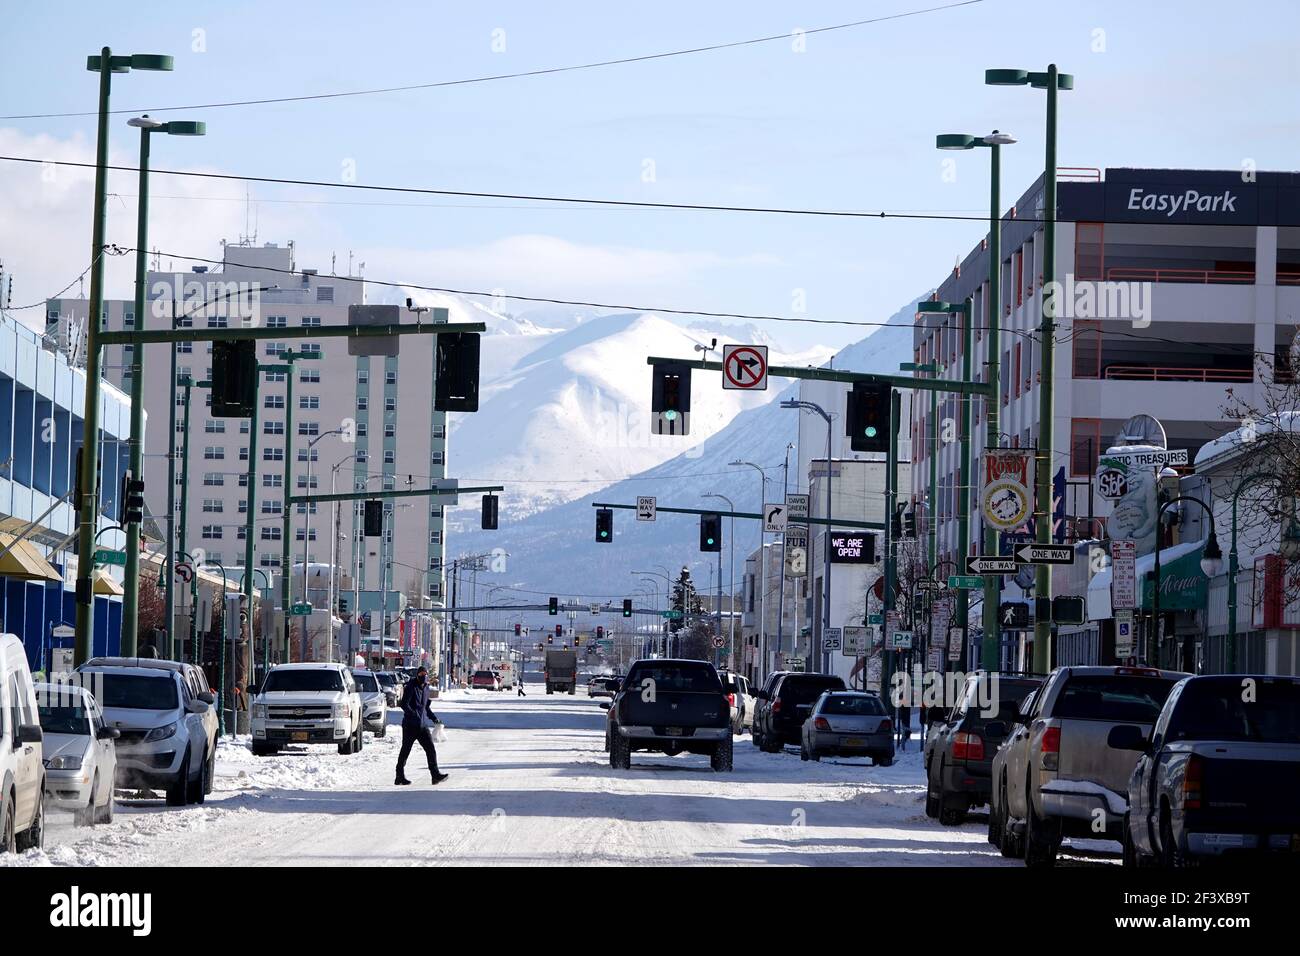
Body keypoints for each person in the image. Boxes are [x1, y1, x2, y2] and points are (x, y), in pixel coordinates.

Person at [395, 666, 448, 786]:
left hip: (422, 725)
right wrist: (413, 714)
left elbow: (426, 707)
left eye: (425, 674)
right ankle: (399, 775)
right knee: (406, 750)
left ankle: (435, 775)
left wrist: (434, 718)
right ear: (418, 675)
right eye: (421, 674)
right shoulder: (411, 687)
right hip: (410, 725)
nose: (423, 676)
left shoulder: (426, 688)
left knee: (430, 749)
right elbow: (404, 704)